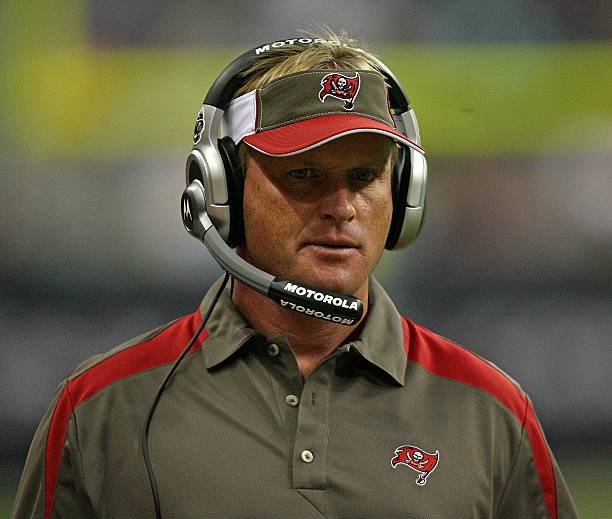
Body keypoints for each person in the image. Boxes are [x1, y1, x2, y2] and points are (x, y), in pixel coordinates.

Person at [11, 32, 579, 519]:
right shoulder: (103, 408)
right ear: (222, 191)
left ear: (405, 196)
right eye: (304, 173)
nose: (342, 206)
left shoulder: (492, 413)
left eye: (364, 175)